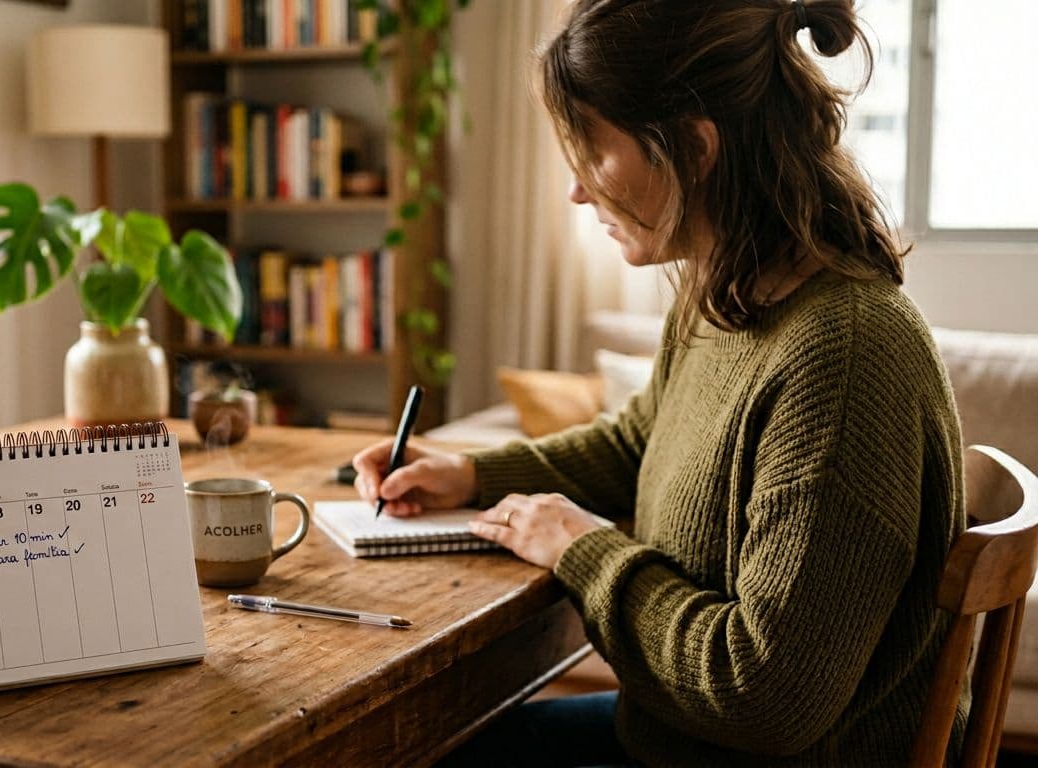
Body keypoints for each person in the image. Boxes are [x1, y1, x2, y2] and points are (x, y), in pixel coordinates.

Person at [352, 0, 968, 765]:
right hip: (673, 737)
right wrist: (471, 473)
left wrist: (585, 549)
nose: (578, 191)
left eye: (593, 152)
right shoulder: (730, 291)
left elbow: (763, 695)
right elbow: (642, 440)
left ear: (694, 146)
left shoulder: (841, 356)